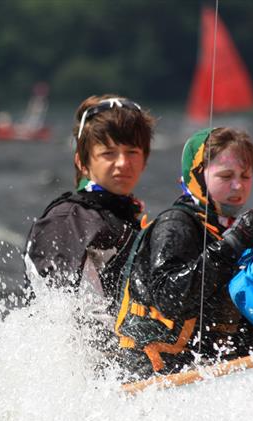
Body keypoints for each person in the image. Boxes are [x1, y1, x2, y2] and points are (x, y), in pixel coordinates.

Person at [115, 127, 253, 379]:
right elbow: (170, 298)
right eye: (225, 175)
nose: (238, 186)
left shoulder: (222, 231)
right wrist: (232, 245)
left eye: (245, 176)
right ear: (197, 177)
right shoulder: (175, 225)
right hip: (147, 377)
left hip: (197, 374)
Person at [24, 94, 155, 342]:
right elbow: (68, 317)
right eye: (108, 153)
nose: (123, 163)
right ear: (82, 162)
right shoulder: (68, 220)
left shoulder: (124, 217)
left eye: (132, 152)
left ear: (145, 159)